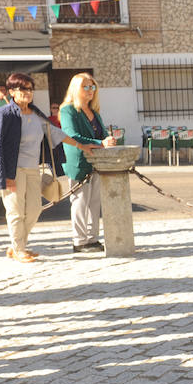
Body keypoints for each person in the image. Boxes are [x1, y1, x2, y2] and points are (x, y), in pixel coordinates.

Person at [0, 73, 98, 262]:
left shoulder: (36, 114)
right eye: (23, 89)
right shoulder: (4, 115)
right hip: (14, 171)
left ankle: (15, 245)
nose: (27, 92)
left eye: (30, 89)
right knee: (15, 210)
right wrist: (5, 177)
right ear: (11, 92)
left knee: (35, 209)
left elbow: (56, 133)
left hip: (34, 170)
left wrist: (81, 146)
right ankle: (19, 249)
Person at [60, 73, 116, 254]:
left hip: (97, 162)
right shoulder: (68, 110)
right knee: (80, 202)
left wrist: (108, 139)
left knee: (94, 202)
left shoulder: (95, 111)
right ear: (76, 88)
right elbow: (71, 135)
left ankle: (92, 239)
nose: (90, 90)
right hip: (78, 162)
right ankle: (79, 240)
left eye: (93, 87)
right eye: (86, 87)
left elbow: (100, 135)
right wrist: (101, 143)